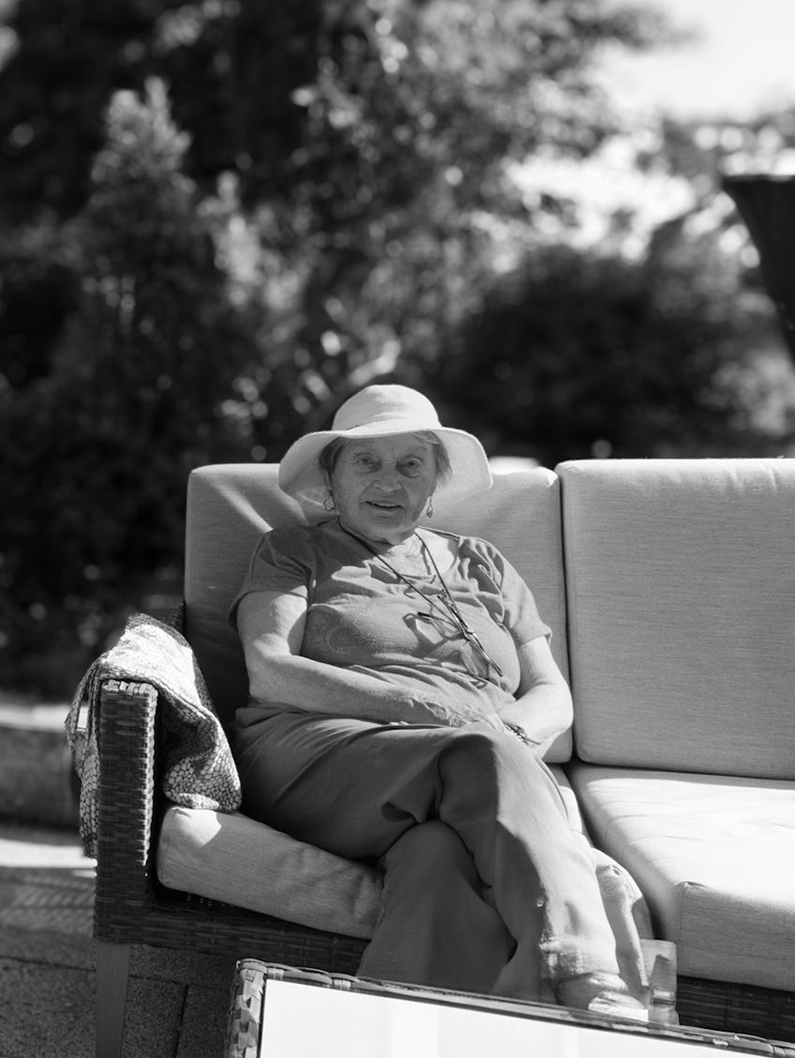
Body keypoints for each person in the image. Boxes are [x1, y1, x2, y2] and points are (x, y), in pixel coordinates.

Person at [230, 383, 647, 1017]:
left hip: (470, 765)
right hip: (321, 750)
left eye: (410, 464)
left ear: (434, 484)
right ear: (332, 478)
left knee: (436, 857)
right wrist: (444, 716)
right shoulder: (294, 550)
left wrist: (508, 735)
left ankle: (412, 1037)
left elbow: (551, 693)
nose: (388, 481)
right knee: (477, 752)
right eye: (366, 461)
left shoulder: (484, 564)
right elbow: (271, 670)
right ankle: (589, 975)